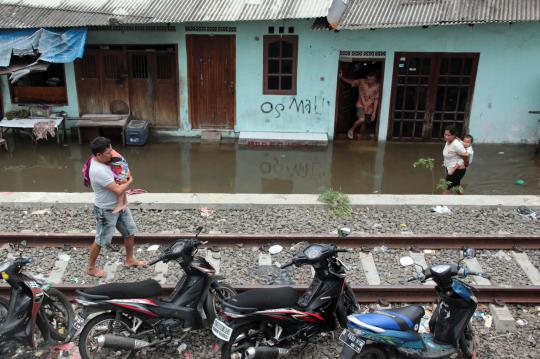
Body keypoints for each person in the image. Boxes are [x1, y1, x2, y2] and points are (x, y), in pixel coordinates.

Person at [87, 136, 146, 277]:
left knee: (129, 231)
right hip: (106, 210)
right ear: (98, 155)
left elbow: (115, 157)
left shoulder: (105, 157)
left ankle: (130, 259)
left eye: (111, 149)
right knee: (101, 240)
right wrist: (130, 180)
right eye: (108, 153)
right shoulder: (98, 170)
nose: (111, 153)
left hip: (120, 206)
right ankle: (90, 268)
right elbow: (118, 190)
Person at [339, 70, 380, 139]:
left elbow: (376, 99)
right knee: (361, 119)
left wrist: (374, 112)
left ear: (375, 79)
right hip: (360, 105)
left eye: (371, 80)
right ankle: (351, 130)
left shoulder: (378, 86)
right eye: (368, 79)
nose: (369, 81)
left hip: (370, 107)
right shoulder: (361, 82)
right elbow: (351, 81)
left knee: (365, 123)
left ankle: (360, 136)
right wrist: (342, 78)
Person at [442, 126, 469, 194]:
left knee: (445, 188)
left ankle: (441, 204)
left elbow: (465, 155)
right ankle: (463, 201)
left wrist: (465, 164)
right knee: (457, 187)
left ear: (453, 135)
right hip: (450, 168)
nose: (446, 136)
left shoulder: (456, 144)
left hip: (457, 170)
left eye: (448, 135)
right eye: (445, 134)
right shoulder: (448, 141)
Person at [109, 149, 130, 213]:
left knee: (121, 184)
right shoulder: (110, 152)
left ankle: (120, 204)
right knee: (122, 185)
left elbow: (119, 168)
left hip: (121, 167)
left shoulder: (114, 158)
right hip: (122, 165)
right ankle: (125, 202)